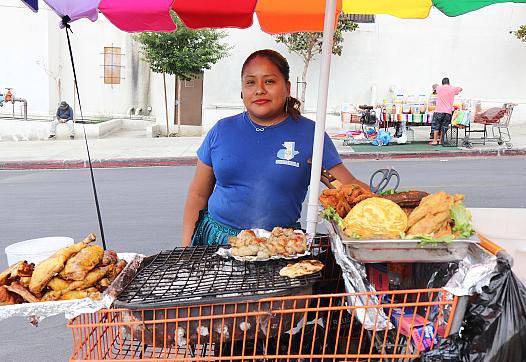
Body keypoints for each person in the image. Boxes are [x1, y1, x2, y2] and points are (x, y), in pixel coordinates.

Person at [182, 49, 368, 247]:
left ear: (287, 88)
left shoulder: (311, 135)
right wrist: (186, 247)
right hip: (216, 242)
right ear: (242, 91)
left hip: (279, 246)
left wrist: (389, 203)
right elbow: (198, 194)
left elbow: (353, 191)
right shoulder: (221, 130)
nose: (259, 90)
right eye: (250, 82)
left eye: (269, 81)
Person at [429, 78, 462, 145]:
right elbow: (460, 89)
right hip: (448, 112)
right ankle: (441, 141)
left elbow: (434, 87)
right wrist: (452, 87)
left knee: (436, 126)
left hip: (438, 111)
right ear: (449, 83)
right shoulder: (452, 88)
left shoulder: (438, 88)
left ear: (442, 83)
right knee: (444, 126)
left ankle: (435, 141)